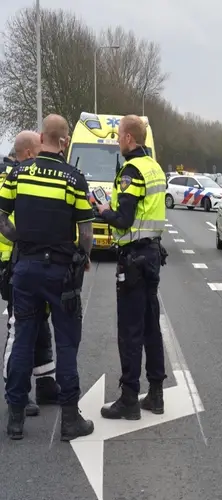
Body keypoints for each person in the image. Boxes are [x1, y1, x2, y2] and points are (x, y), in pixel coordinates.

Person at [0, 114, 95, 441]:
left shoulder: (18, 173)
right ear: (65, 140)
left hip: (25, 269)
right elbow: (86, 231)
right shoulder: (74, 179)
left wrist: (20, 241)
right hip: (60, 272)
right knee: (67, 341)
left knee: (24, 337)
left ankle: (15, 419)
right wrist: (82, 257)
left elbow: (1, 218)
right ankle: (70, 420)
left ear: (42, 137)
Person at [96, 115, 167, 420]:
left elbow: (124, 219)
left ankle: (128, 400)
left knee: (129, 330)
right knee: (152, 326)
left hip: (133, 258)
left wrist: (103, 211)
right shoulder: (155, 168)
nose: (116, 141)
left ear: (128, 138)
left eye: (118, 136)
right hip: (152, 255)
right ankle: (156, 394)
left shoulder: (131, 171)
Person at [0, 131, 59, 418]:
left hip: (25, 261)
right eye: (39, 151)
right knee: (18, 327)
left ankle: (46, 383)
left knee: (40, 322)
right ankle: (17, 392)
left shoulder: (26, 175)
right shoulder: (12, 179)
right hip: (11, 262)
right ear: (27, 154)